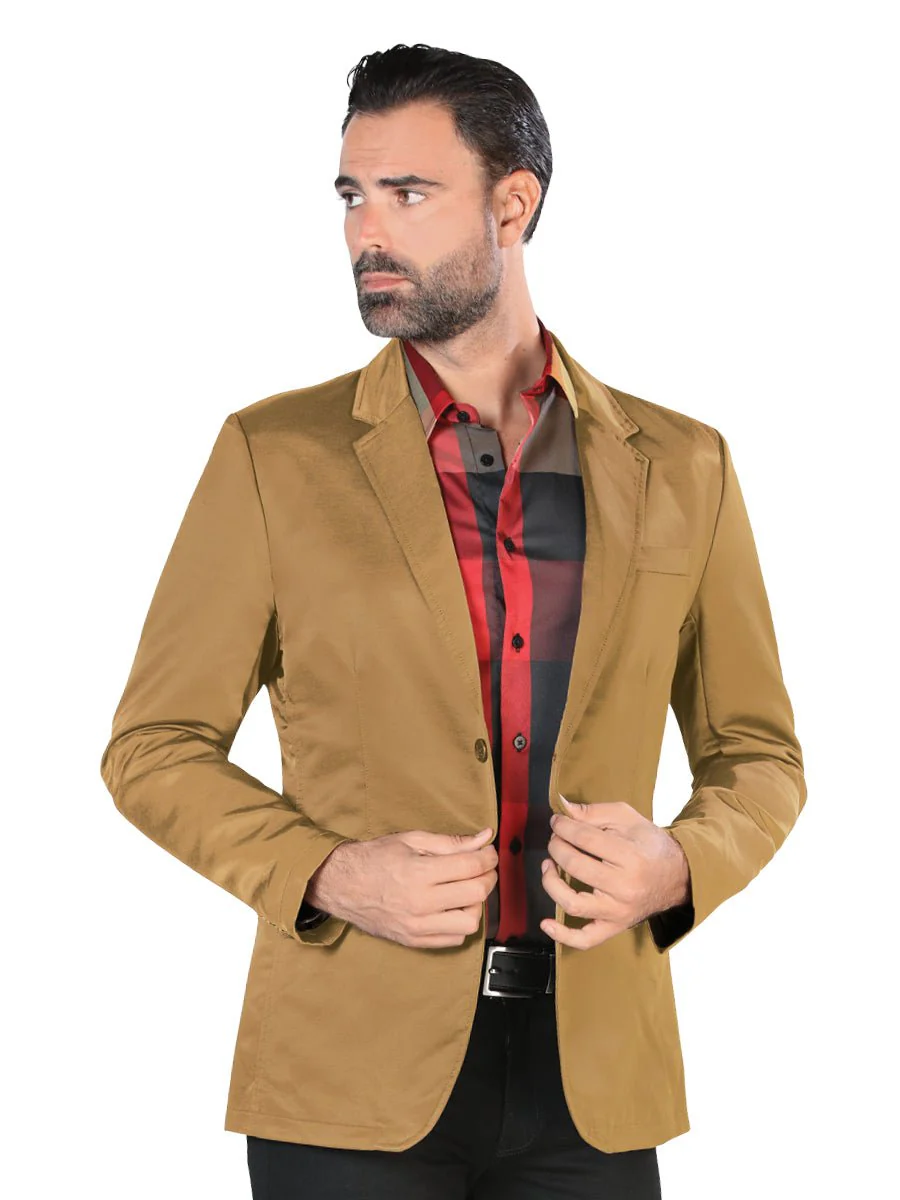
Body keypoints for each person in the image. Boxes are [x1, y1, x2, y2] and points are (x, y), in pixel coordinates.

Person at [99, 42, 806, 1200]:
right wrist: (327, 873)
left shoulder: (685, 465)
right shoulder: (273, 457)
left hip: (597, 1081)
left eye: (408, 193)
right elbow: (152, 748)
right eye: (351, 195)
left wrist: (682, 862)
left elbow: (760, 756)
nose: (365, 232)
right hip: (346, 1080)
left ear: (512, 205)